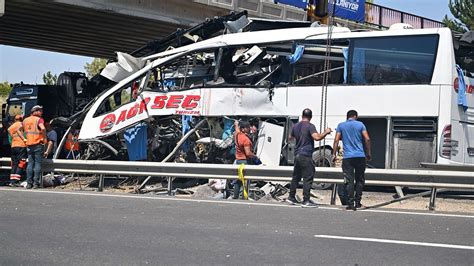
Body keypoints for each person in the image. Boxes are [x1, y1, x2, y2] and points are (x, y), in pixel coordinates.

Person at [287, 108, 332, 208]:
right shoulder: (310, 126)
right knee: (308, 177)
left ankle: (291, 197)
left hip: (297, 154)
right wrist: (326, 132)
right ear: (310, 117)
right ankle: (306, 200)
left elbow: (290, 137)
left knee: (296, 177)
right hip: (306, 154)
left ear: (302, 115)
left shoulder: (296, 126)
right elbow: (317, 137)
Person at [332, 110, 371, 211]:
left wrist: (334, 154)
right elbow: (367, 139)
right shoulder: (360, 124)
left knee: (349, 181)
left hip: (348, 157)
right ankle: (358, 203)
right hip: (360, 156)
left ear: (347, 116)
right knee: (360, 180)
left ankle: (350, 204)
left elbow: (336, 140)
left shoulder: (341, 125)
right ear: (355, 116)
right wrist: (368, 153)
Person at [232, 120, 257, 199]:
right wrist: (255, 157)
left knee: (238, 181)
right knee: (246, 181)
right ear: (243, 129)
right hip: (245, 162)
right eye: (247, 127)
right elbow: (248, 153)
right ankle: (244, 198)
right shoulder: (245, 140)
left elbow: (237, 129)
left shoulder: (237, 135)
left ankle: (235, 197)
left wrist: (236, 124)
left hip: (238, 161)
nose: (249, 128)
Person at [23, 105, 46, 189]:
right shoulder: (39, 119)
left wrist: (24, 139)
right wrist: (44, 138)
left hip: (29, 144)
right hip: (37, 144)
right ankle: (36, 184)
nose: (41, 112)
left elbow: (19, 130)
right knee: (37, 164)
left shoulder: (25, 120)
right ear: (35, 112)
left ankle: (29, 184)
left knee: (30, 164)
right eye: (40, 111)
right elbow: (43, 129)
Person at [7, 115, 27, 187]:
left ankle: (12, 181)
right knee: (21, 163)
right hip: (21, 146)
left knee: (14, 164)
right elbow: (25, 135)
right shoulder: (22, 124)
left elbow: (10, 138)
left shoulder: (10, 127)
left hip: (13, 146)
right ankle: (16, 180)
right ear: (22, 119)